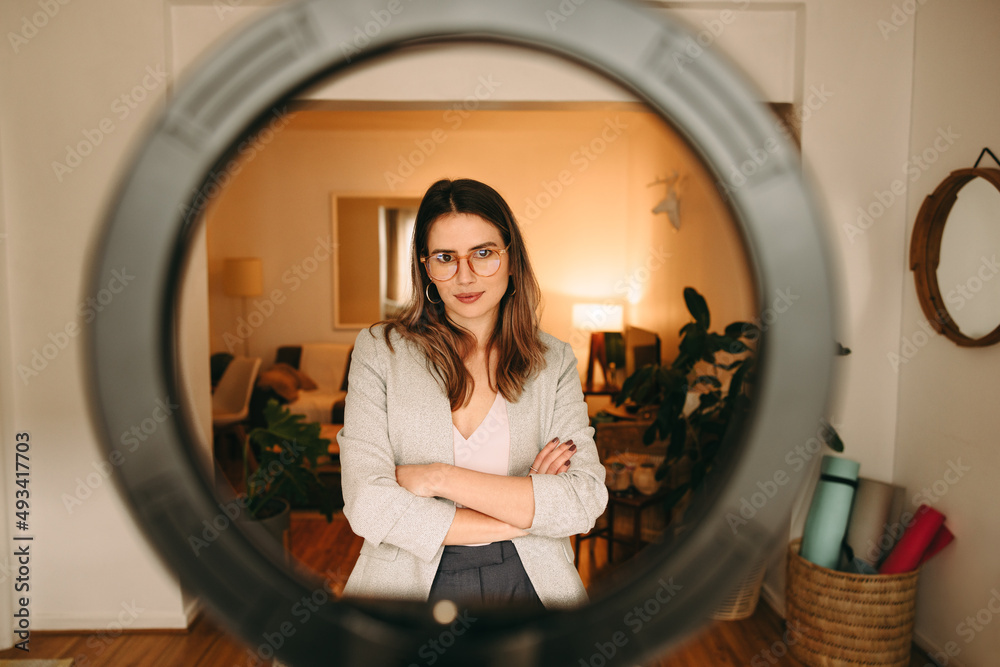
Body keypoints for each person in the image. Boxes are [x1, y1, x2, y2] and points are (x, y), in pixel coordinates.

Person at [338, 178, 608, 610]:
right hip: (407, 581)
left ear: (511, 259)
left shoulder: (552, 360)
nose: (465, 276)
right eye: (446, 257)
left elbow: (584, 499)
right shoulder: (380, 350)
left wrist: (439, 478)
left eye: (483, 253)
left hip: (531, 579)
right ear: (427, 267)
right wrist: (526, 510)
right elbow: (368, 504)